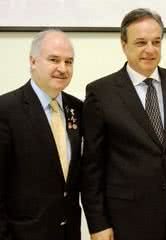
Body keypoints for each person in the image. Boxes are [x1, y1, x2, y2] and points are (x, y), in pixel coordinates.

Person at [81, 8, 166, 240]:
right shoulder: (101, 93)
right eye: (141, 42)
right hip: (128, 219)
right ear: (124, 44)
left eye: (156, 42)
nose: (150, 50)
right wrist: (98, 223)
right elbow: (92, 167)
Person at [0, 29, 82, 240]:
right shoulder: (6, 110)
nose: (63, 69)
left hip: (68, 233)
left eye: (69, 61)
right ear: (33, 61)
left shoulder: (78, 109)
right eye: (54, 59)